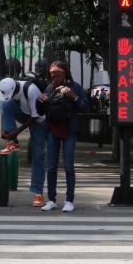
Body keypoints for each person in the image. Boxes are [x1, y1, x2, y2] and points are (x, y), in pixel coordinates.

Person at [37, 61, 88, 212]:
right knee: (51, 167)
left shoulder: (75, 87)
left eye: (58, 74)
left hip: (69, 131)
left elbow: (85, 107)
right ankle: (51, 200)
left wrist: (73, 96)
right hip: (52, 130)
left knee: (68, 166)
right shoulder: (49, 87)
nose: (55, 77)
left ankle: (69, 200)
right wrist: (40, 101)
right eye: (52, 75)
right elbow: (42, 112)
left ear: (65, 73)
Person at [0, 76, 47, 207]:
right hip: (25, 114)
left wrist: (17, 131)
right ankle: (14, 142)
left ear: (14, 89)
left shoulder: (31, 90)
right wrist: (6, 130)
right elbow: (4, 110)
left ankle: (38, 193)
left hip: (39, 121)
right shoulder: (4, 90)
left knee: (38, 155)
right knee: (6, 105)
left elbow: (35, 117)